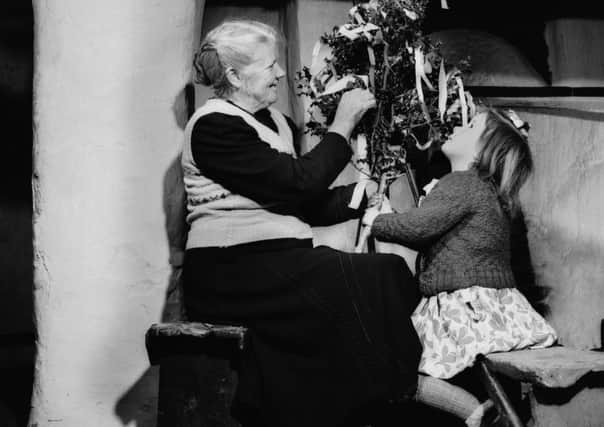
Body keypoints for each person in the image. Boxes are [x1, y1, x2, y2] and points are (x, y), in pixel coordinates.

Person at [181, 20, 422, 427]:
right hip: (231, 271)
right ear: (235, 76)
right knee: (367, 278)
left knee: (387, 271)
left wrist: (364, 192)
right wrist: (341, 126)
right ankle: (393, 393)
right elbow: (298, 182)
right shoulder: (213, 126)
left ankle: (384, 393)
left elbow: (302, 201)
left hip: (279, 263)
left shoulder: (275, 123)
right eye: (269, 65)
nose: (279, 73)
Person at [362, 108, 558, 426]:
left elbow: (419, 227)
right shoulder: (488, 191)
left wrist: (377, 221)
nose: (458, 126)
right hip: (491, 303)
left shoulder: (461, 184)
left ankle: (472, 411)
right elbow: (438, 236)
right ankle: (483, 410)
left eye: (469, 124)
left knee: (400, 371)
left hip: (460, 303)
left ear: (483, 149)